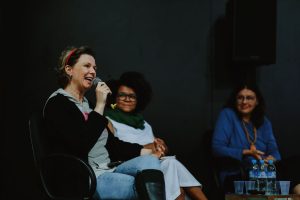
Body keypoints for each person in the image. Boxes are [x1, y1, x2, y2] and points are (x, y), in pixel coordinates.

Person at [43, 46, 166, 199]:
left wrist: (146, 151)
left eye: (94, 68)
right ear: (69, 70)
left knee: (150, 162)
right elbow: (80, 144)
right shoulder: (58, 104)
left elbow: (111, 143)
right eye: (86, 66)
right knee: (137, 185)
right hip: (85, 177)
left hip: (107, 168)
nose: (93, 72)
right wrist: (100, 105)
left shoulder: (86, 105)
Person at [103, 71, 208, 200]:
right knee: (172, 166)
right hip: (129, 165)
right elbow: (116, 149)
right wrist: (150, 147)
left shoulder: (144, 124)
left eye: (132, 96)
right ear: (114, 98)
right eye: (122, 95)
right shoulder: (108, 120)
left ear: (139, 99)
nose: (127, 99)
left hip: (154, 164)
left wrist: (161, 147)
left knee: (172, 170)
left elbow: (158, 150)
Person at [211, 82, 281, 193]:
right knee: (253, 167)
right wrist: (245, 152)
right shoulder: (228, 114)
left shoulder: (264, 122)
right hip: (237, 175)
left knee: (295, 165)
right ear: (235, 100)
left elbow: (275, 152)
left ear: (257, 101)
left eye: (249, 98)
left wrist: (271, 159)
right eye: (240, 98)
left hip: (264, 172)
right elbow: (217, 148)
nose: (244, 102)